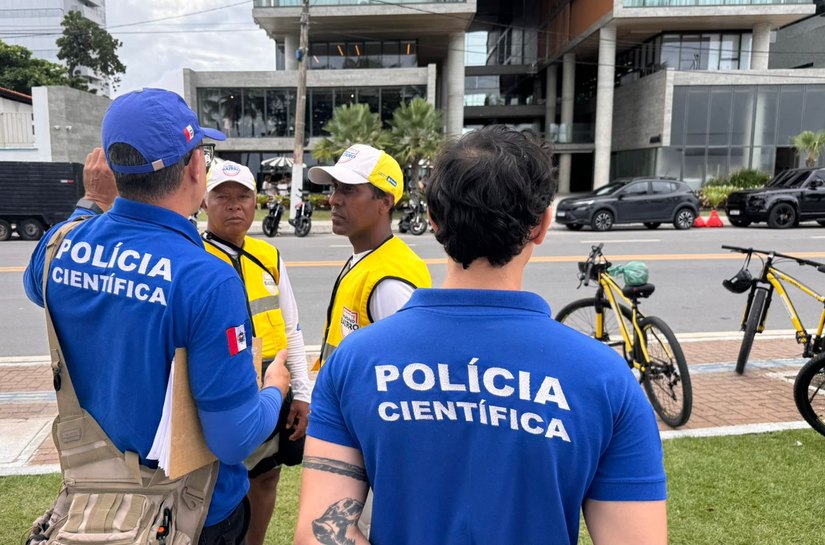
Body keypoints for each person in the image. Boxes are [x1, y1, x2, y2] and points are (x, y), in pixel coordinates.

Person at [294, 126, 667, 545]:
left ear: (433, 221)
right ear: (542, 225)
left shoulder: (352, 362)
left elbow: (319, 532)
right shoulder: (606, 379)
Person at [23, 88, 291, 545]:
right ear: (194, 168)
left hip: (95, 500)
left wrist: (90, 200)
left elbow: (35, 285)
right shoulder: (208, 278)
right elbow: (233, 439)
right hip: (192, 515)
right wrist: (275, 387)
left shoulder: (58, 248)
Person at [200, 160, 311, 545]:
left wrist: (301, 394)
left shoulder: (269, 256)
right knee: (216, 484)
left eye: (243, 196)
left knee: (265, 475)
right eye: (222, 196)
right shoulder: (192, 255)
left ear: (255, 203)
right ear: (204, 202)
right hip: (220, 392)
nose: (234, 205)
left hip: (273, 389)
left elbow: (292, 329)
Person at [307, 144, 432, 370]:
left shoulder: (390, 283)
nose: (334, 199)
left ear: (385, 202)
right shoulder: (366, 258)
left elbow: (407, 373)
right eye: (335, 188)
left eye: (349, 189)